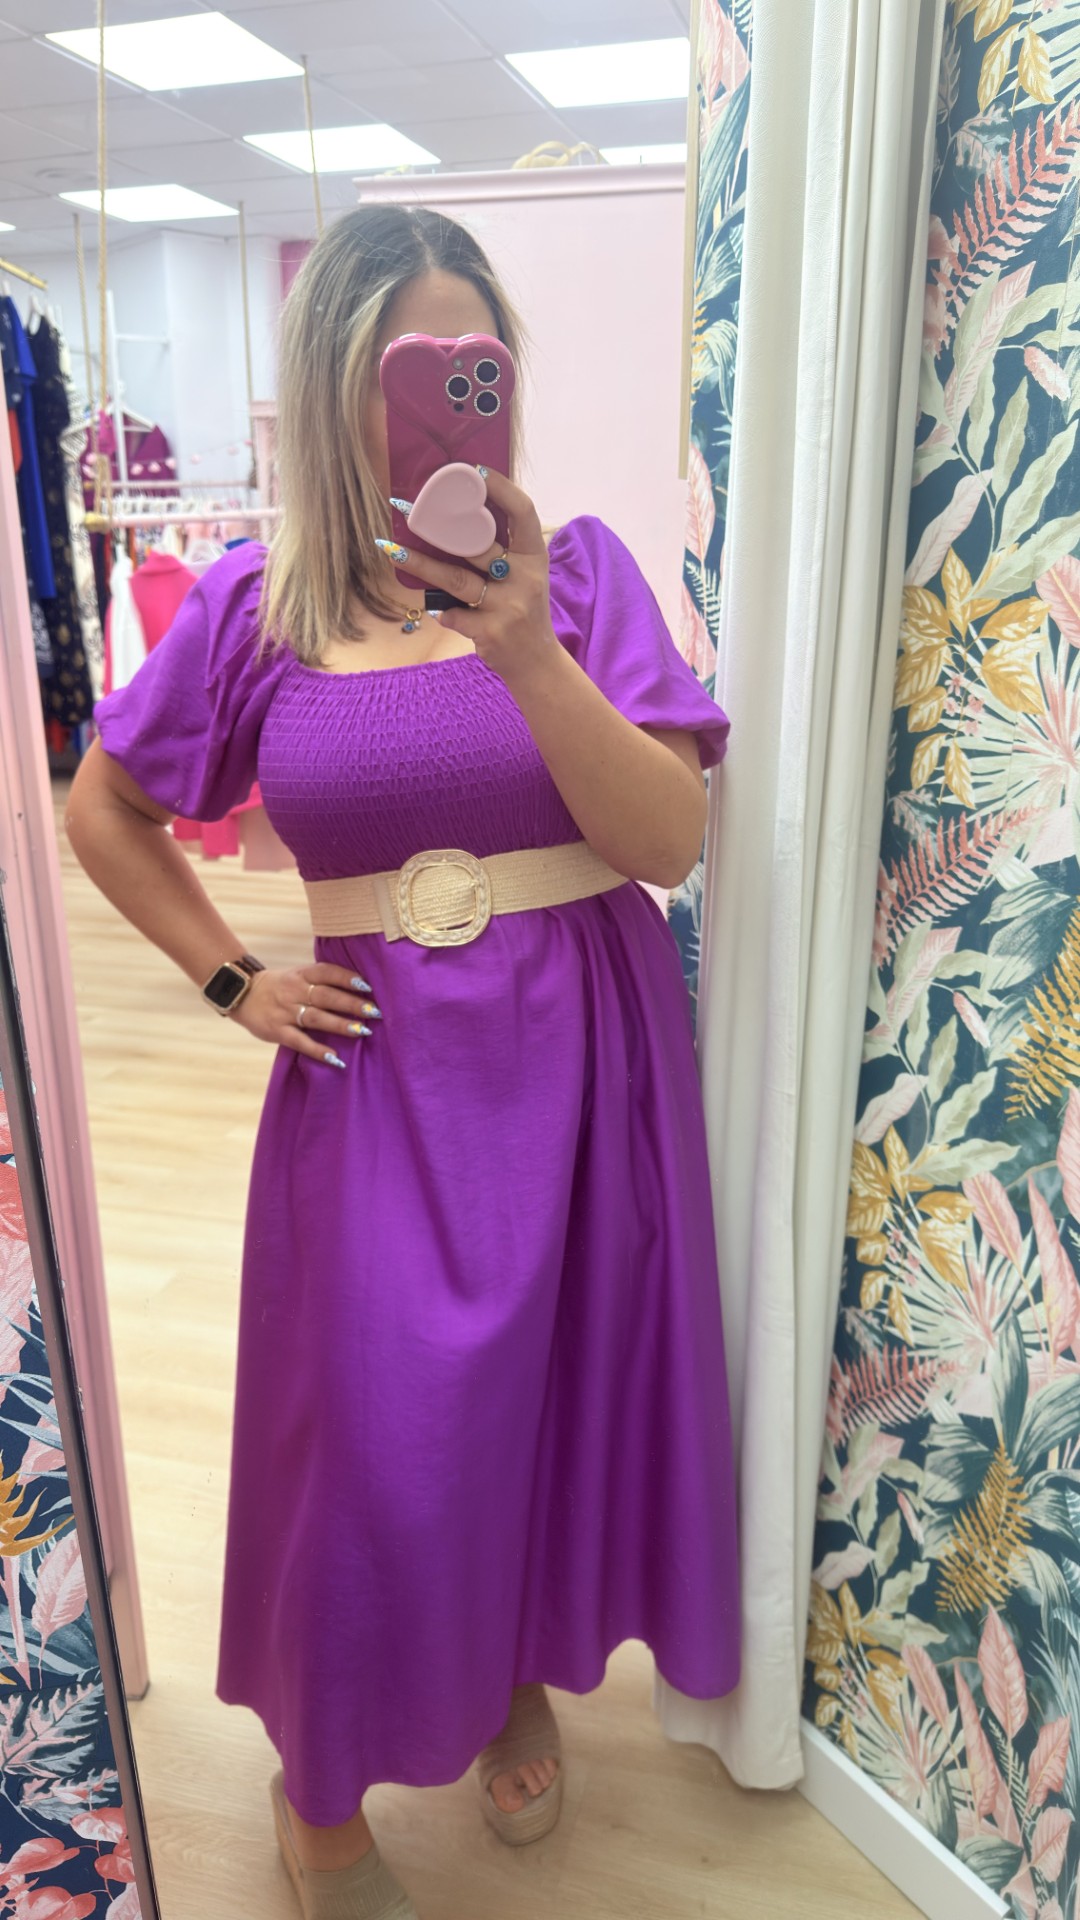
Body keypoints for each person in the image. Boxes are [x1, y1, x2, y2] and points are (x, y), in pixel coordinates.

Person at [66, 205, 741, 1920]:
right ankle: (318, 1783)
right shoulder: (255, 605)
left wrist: (524, 648)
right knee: (372, 1441)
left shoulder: (577, 579)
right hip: (373, 1084)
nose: (452, 403)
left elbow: (668, 840)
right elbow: (105, 808)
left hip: (584, 1075)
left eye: (478, 365)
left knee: (540, 1404)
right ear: (336, 388)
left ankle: (509, 1673)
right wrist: (234, 981)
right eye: (415, 372)